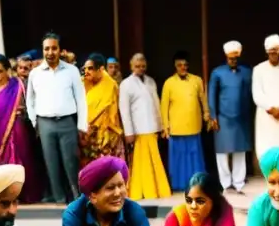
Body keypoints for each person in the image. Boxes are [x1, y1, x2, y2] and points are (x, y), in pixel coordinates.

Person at [27, 32, 88, 204]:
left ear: (60, 50)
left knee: (71, 162)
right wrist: (34, 122)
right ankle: (59, 199)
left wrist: (82, 125)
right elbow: (30, 100)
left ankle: (77, 198)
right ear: (43, 50)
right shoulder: (35, 73)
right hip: (45, 123)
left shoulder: (72, 71)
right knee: (51, 164)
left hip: (67, 122)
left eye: (54, 48)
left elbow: (81, 99)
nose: (50, 52)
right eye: (47, 49)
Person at [0, 55, 41, 203]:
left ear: (7, 71)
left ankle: (22, 193)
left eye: (0, 71)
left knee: (20, 160)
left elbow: (28, 105)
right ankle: (5, 195)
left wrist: (21, 112)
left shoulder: (17, 85)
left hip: (17, 130)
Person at [119, 52, 170, 200]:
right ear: (131, 66)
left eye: (142, 66)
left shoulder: (151, 81)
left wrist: (161, 126)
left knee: (155, 161)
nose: (140, 68)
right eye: (137, 66)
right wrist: (129, 132)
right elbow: (125, 110)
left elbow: (156, 104)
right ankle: (143, 192)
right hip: (138, 130)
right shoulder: (126, 84)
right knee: (142, 164)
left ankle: (158, 190)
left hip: (152, 127)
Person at [208, 40, 253, 193]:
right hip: (223, 117)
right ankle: (226, 184)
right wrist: (213, 116)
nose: (233, 61)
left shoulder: (247, 71)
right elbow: (211, 94)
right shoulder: (217, 72)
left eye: (235, 58)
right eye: (230, 58)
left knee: (240, 151)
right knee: (222, 152)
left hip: (242, 117)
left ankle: (239, 183)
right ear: (226, 57)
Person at [160, 50, 209, 191]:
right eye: (179, 65)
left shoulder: (197, 80)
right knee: (179, 159)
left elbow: (203, 99)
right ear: (175, 66)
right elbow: (164, 106)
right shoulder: (169, 83)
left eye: (185, 65)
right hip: (176, 129)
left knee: (195, 158)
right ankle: (179, 185)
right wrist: (165, 126)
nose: (183, 67)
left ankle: (198, 184)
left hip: (194, 126)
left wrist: (207, 114)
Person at [82, 52, 126, 164]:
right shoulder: (83, 82)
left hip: (108, 137)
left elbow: (115, 112)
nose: (86, 72)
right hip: (87, 136)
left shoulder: (111, 85)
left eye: (90, 68)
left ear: (100, 69)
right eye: (85, 68)